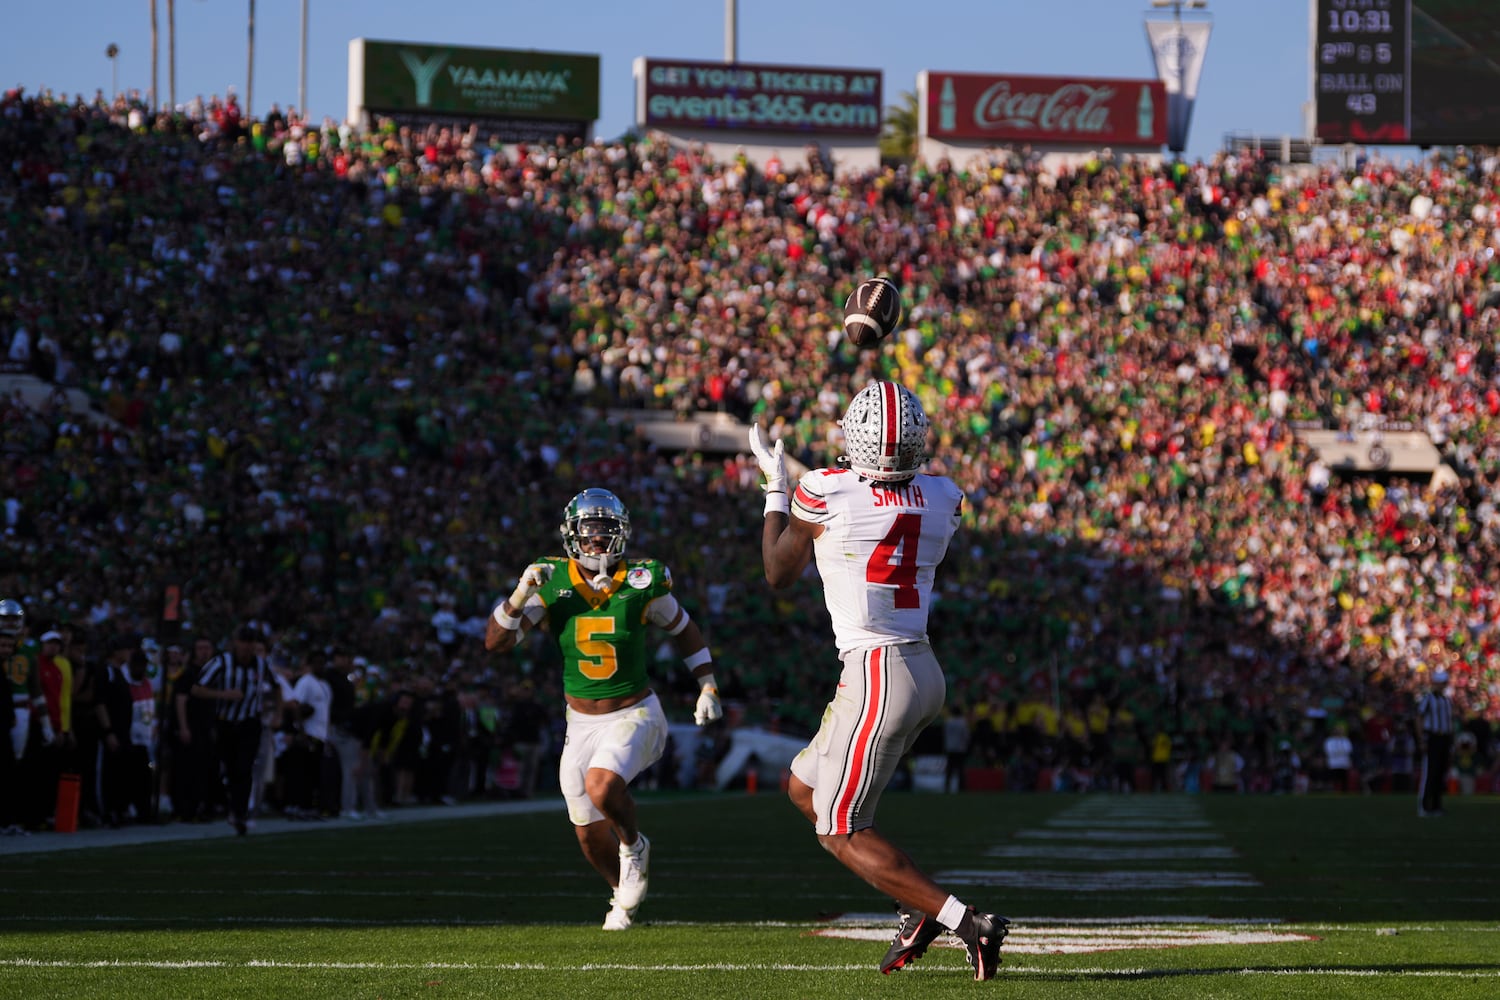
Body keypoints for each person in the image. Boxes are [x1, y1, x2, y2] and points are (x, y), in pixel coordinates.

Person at [748, 380, 1009, 980]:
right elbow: (896, 497)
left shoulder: (824, 490)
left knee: (839, 830)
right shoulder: (946, 497)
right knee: (803, 787)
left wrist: (775, 487)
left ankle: (966, 922)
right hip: (917, 667)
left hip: (878, 672)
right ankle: (914, 909)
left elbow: (776, 571)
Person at [484, 487, 723, 931]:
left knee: (601, 786)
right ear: (572, 536)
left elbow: (685, 631)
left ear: (622, 534)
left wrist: (707, 685)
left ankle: (634, 845)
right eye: (589, 534)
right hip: (580, 723)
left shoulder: (641, 580)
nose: (597, 542)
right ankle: (621, 895)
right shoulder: (551, 581)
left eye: (605, 533)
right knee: (587, 834)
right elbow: (496, 643)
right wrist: (518, 595)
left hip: (636, 713)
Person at [191, 625, 273, 835]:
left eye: (250, 642)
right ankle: (225, 806)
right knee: (228, 768)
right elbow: (197, 688)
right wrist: (223, 695)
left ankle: (239, 813)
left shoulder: (261, 665)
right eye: (243, 642)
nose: (246, 647)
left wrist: (277, 712)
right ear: (236, 643)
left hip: (249, 723)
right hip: (225, 722)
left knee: (244, 768)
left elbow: (276, 687)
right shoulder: (221, 663)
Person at [1416, 669, 1454, 817]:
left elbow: (1449, 722)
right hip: (1433, 738)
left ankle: (1437, 806)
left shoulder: (1446, 700)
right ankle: (1425, 806)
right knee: (1430, 773)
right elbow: (1418, 717)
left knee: (1440, 773)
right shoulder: (1428, 698)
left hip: (1444, 738)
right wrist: (1421, 739)